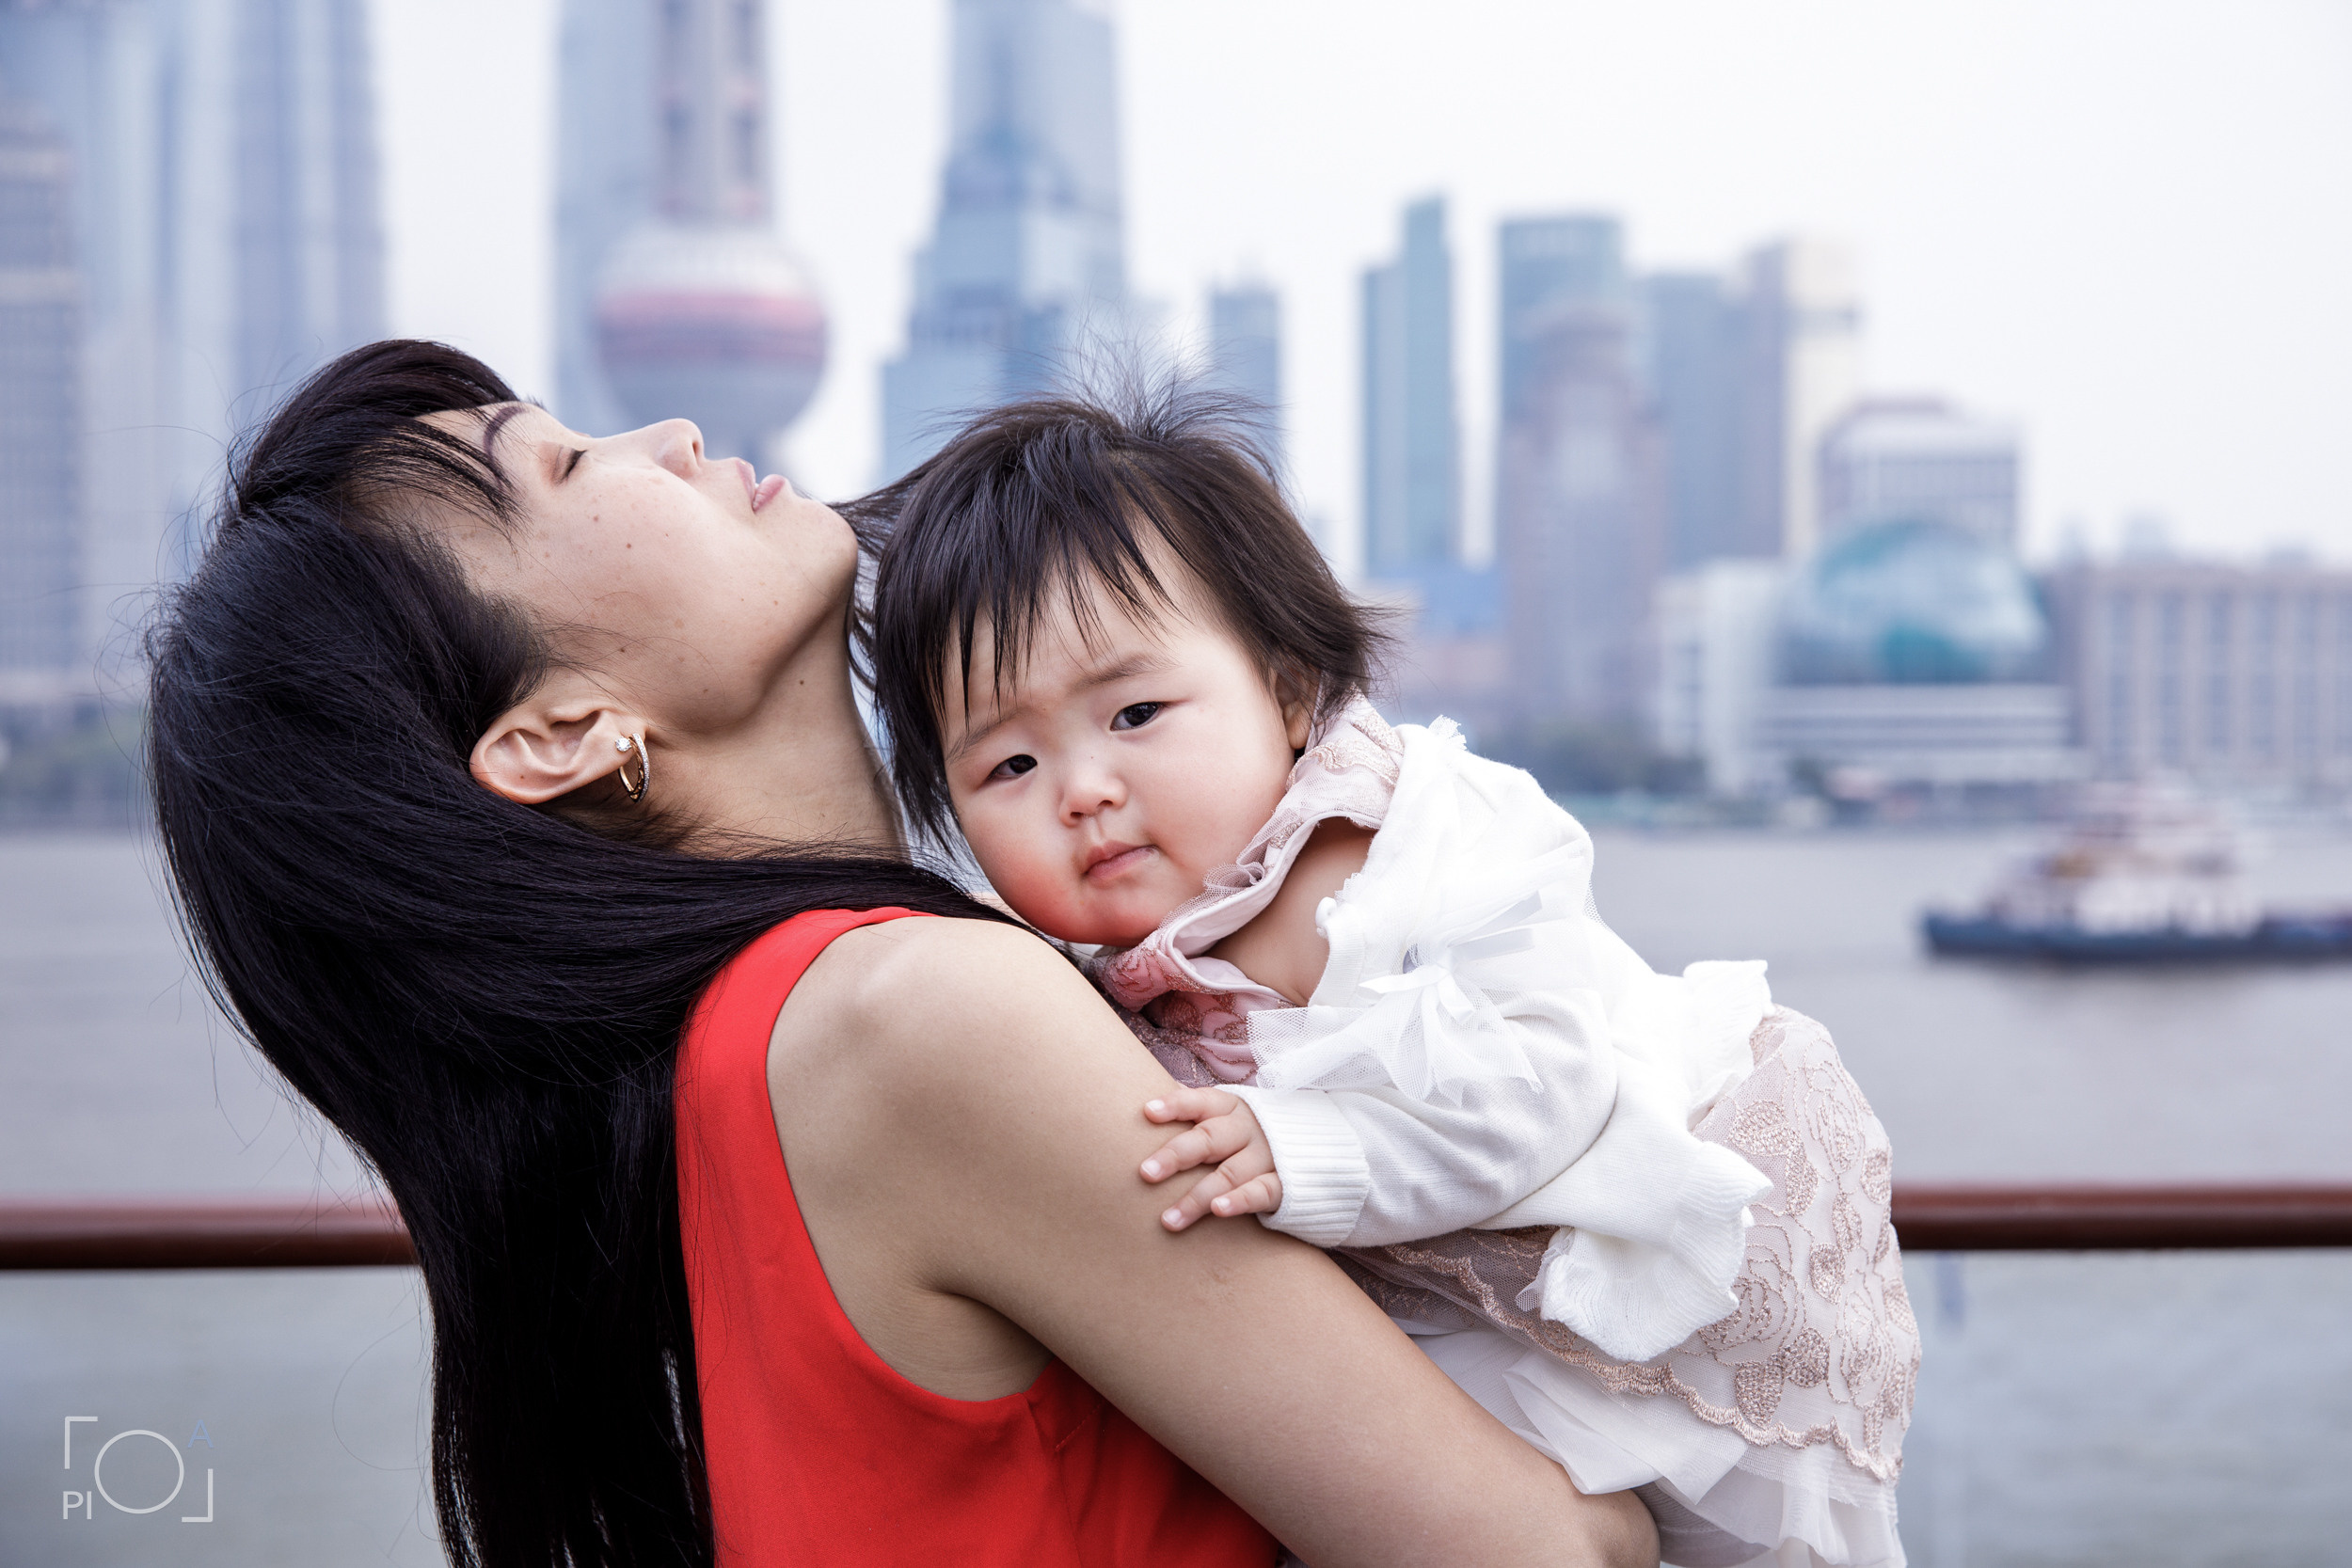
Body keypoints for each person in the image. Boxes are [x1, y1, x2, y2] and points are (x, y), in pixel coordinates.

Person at [144, 341, 1659, 1568]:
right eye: (561, 466)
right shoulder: (910, 1016)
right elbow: (1535, 1552)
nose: (667, 433)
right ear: (558, 735)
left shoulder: (745, 1043)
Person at [863, 389, 1917, 1568]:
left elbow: (1543, 1075)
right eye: (1009, 761)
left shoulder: (1407, 842)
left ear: (1290, 685)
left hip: (1672, 1267)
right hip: (1484, 1352)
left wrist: (1305, 1149)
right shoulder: (1065, 990)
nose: (1084, 787)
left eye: (1137, 711)